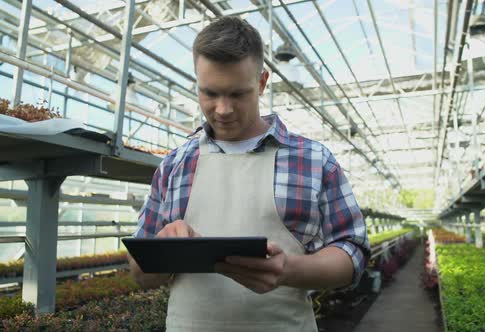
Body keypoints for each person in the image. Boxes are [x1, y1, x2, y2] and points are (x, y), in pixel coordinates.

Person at [129, 16, 370, 332]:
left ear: (262, 82)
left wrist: (289, 269)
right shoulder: (174, 165)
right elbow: (140, 273)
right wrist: (162, 250)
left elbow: (352, 251)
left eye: (238, 94)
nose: (223, 109)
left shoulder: (312, 159)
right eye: (210, 93)